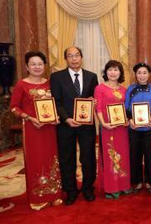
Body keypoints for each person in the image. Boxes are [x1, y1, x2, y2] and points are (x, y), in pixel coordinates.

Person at [10, 51, 62, 210]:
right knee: (35, 161)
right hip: (33, 130)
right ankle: (38, 197)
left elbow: (57, 103)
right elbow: (13, 107)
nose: (37, 67)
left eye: (40, 64)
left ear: (44, 66)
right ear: (27, 66)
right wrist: (30, 118)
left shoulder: (50, 83)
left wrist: (57, 116)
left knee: (52, 160)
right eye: (33, 64)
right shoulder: (21, 84)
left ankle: (53, 194)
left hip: (50, 129)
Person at [50, 46, 98, 205]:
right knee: (67, 158)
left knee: (88, 157)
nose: (74, 58)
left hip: (86, 125)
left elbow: (93, 98)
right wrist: (66, 119)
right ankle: (70, 190)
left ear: (81, 57)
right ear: (66, 59)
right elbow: (56, 101)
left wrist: (94, 102)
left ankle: (88, 188)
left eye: (77, 55)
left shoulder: (92, 76)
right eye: (70, 56)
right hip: (66, 125)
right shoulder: (56, 77)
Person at [94, 60, 130, 199]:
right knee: (110, 156)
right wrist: (103, 123)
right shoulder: (100, 88)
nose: (113, 73)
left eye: (116, 70)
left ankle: (124, 185)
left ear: (120, 72)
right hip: (108, 127)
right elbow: (99, 108)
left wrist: (127, 120)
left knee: (123, 155)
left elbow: (126, 109)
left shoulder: (124, 90)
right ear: (106, 72)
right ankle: (111, 187)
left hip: (122, 128)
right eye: (110, 70)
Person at [125, 63, 151, 193]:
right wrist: (130, 119)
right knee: (135, 155)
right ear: (135, 75)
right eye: (139, 73)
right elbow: (127, 107)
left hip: (149, 127)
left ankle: (149, 182)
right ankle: (137, 181)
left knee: (149, 155)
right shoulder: (131, 89)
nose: (142, 75)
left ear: (149, 74)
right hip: (134, 128)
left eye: (145, 72)